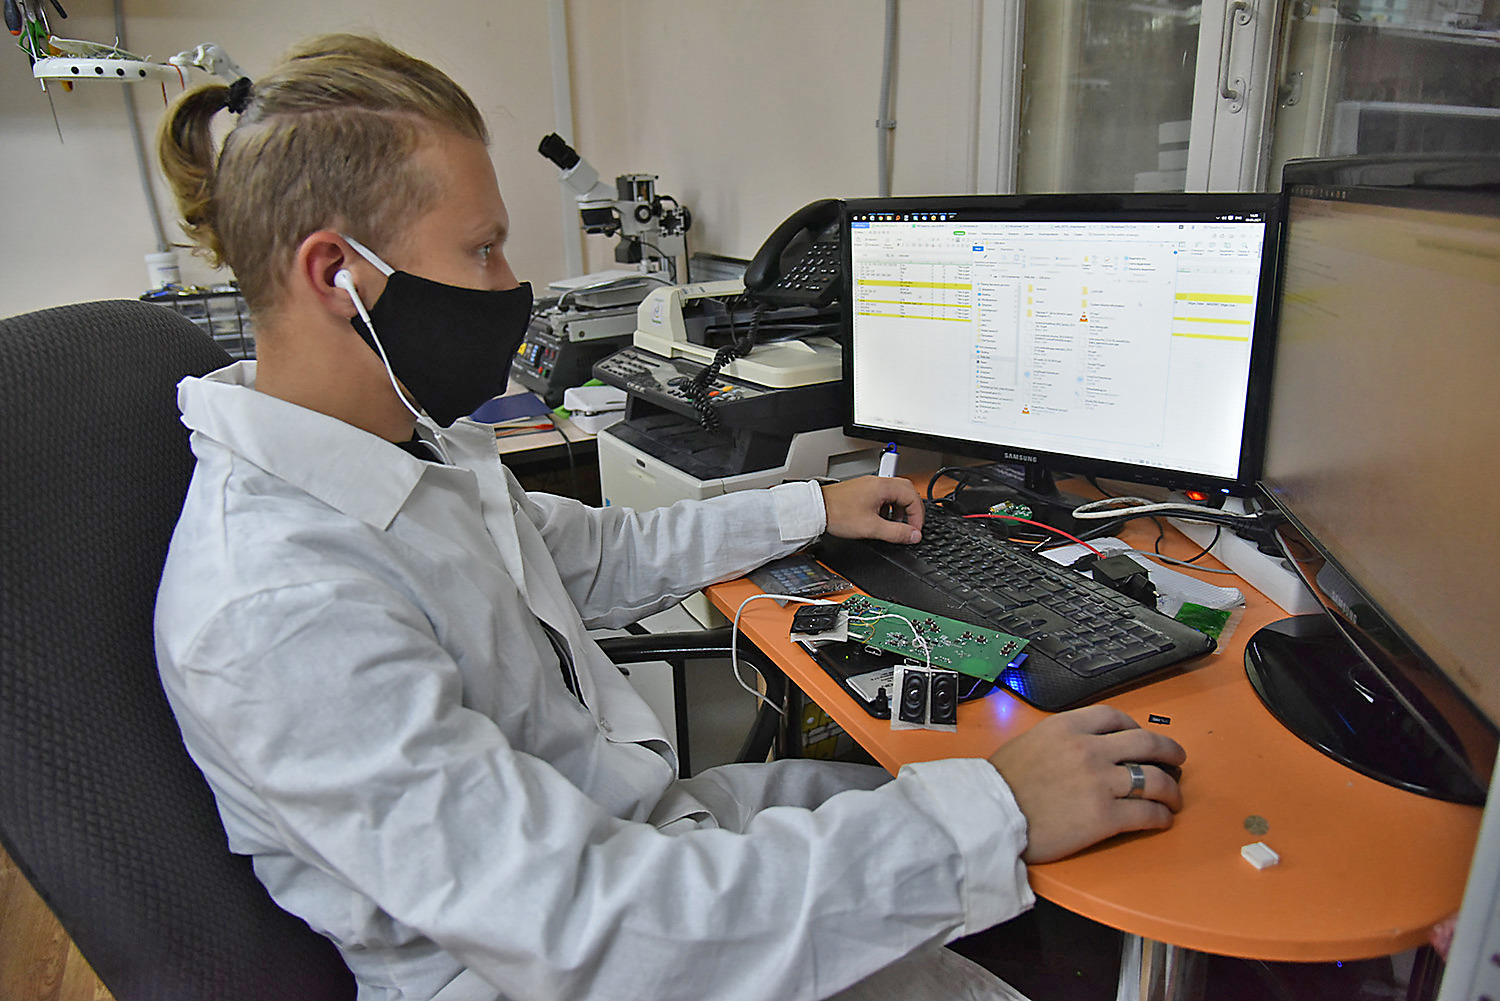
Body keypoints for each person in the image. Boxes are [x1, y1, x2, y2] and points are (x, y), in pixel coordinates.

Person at [152, 34, 1186, 1001]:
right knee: (976, 854)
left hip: (635, 839)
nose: (512, 286)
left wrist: (810, 506)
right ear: (337, 274)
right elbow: (592, 928)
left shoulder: (406, 443)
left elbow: (591, 552)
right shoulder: (280, 607)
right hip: (580, 956)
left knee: (936, 808)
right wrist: (996, 814)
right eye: (484, 249)